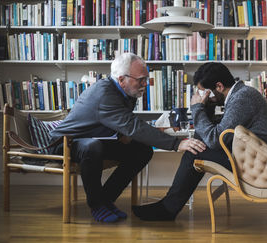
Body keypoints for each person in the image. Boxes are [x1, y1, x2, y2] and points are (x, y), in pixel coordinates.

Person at [49, 53, 206, 223]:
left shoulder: (125, 93)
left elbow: (121, 124)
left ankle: (105, 199)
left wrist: (122, 134)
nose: (145, 84)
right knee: (92, 146)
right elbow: (133, 126)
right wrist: (177, 143)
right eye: (141, 80)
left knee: (142, 150)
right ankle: (96, 204)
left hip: (94, 140)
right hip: (65, 143)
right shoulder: (104, 94)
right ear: (122, 79)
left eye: (146, 79)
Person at [132, 62, 267, 221]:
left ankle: (167, 208)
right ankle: (168, 206)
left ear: (219, 86)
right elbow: (217, 133)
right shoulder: (241, 94)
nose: (204, 96)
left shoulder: (242, 98)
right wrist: (207, 106)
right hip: (260, 157)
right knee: (198, 144)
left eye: (205, 91)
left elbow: (214, 139)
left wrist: (197, 108)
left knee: (194, 152)